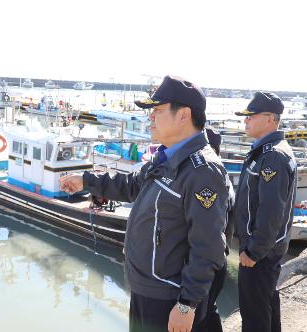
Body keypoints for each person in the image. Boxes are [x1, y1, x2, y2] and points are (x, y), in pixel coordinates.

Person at [60, 76, 230, 332]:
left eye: (158, 110)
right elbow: (130, 185)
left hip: (168, 297)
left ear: (183, 115)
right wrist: (86, 181)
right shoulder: (166, 157)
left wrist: (187, 305)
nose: (150, 117)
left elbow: (208, 248)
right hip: (147, 289)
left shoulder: (202, 170)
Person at [232, 92, 297, 332]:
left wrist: (253, 251)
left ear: (269, 119)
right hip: (264, 250)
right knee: (266, 304)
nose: (245, 121)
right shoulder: (268, 151)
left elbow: (272, 210)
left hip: (260, 254)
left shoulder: (273, 156)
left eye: (251, 116)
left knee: (254, 315)